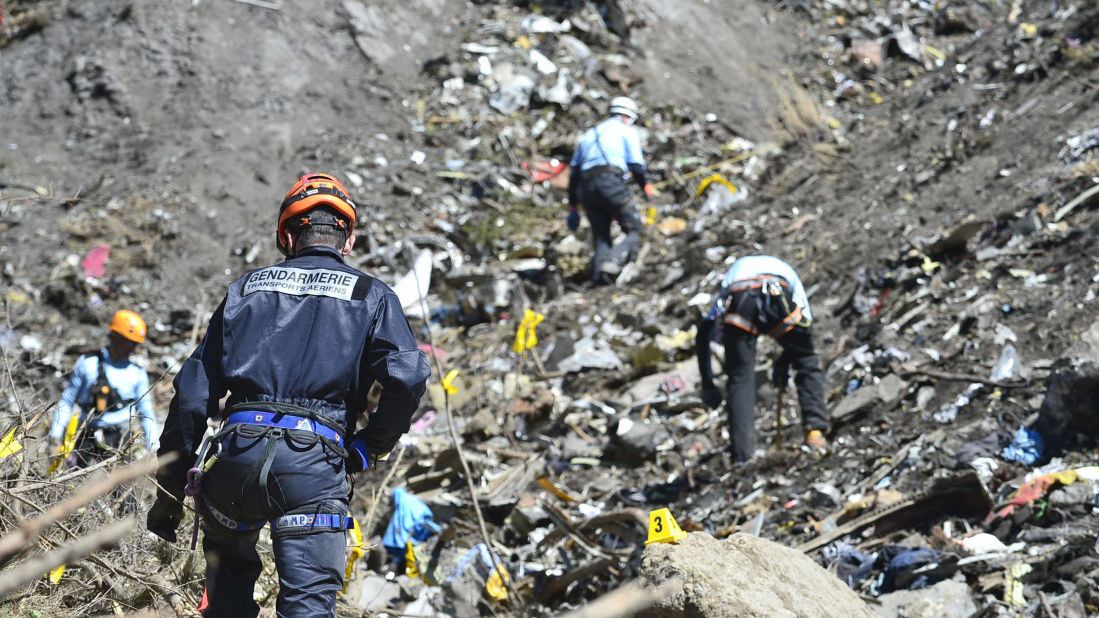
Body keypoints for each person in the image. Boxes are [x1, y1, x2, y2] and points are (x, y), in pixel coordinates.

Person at [147, 173, 430, 617]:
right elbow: (409, 376)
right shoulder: (372, 295)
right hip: (312, 470)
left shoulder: (246, 289)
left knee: (227, 595)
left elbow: (193, 391)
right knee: (307, 604)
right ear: (348, 240)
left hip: (234, 457)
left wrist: (169, 491)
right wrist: (368, 448)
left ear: (286, 235)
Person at [695, 255, 830, 462]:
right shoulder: (787, 272)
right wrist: (788, 358)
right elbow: (803, 335)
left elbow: (705, 329)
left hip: (741, 298)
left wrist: (708, 384)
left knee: (740, 379)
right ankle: (815, 434)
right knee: (807, 362)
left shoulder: (733, 276)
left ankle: (743, 456)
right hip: (779, 292)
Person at [49, 309, 158, 466]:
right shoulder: (88, 363)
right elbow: (67, 400)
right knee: (76, 481)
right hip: (86, 433)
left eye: (135, 344)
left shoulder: (138, 374)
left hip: (119, 437)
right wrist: (56, 437)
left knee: (118, 487)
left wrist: (153, 448)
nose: (132, 349)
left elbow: (146, 413)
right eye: (128, 342)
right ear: (114, 337)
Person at [566, 96, 654, 285]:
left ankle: (599, 280)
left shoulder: (589, 134)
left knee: (601, 237)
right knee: (635, 228)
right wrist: (645, 186)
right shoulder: (625, 130)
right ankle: (612, 261)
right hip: (609, 181)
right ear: (628, 116)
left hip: (586, 187)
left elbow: (573, 175)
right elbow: (636, 165)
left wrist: (573, 207)